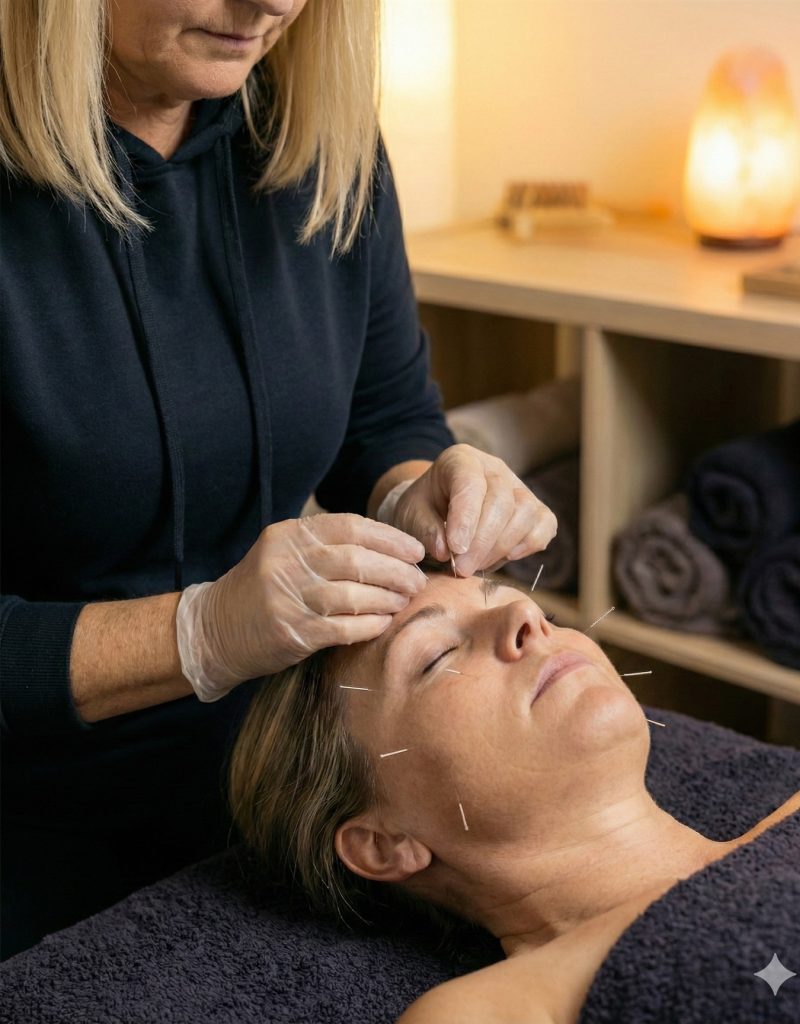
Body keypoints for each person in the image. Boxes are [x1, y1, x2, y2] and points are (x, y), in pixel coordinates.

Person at [0, 0, 558, 961]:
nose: (270, 4)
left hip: (269, 791)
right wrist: (198, 633)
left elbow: (384, 415)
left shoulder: (315, 137)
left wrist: (416, 486)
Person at [227, 570, 800, 1024]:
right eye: (436, 656)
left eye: (528, 603)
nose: (526, 614)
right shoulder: (487, 1012)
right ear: (383, 844)